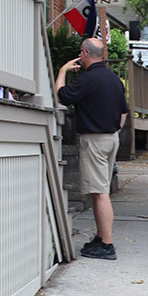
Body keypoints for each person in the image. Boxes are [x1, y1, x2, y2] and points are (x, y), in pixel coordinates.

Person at [56, 37, 128, 260]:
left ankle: (106, 244)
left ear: (84, 53)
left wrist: (62, 71)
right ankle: (101, 237)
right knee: (102, 191)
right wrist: (114, 130)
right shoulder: (114, 79)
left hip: (95, 140)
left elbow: (62, 97)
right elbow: (124, 111)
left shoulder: (88, 79)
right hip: (111, 138)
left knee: (100, 194)